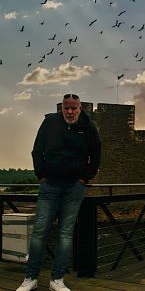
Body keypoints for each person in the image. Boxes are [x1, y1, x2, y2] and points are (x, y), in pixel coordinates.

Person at [16, 94, 101, 291]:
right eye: (66, 108)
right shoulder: (49, 123)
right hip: (50, 185)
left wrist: (84, 179)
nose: (70, 112)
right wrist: (41, 176)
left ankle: (57, 279)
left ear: (80, 108)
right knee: (39, 232)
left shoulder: (89, 127)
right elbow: (37, 151)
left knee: (65, 233)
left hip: (74, 187)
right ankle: (30, 278)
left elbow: (96, 156)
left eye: (74, 108)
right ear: (61, 108)